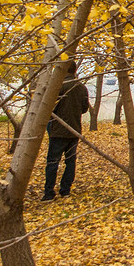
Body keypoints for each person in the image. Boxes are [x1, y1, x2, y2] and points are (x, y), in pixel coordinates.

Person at [42, 62, 90, 201]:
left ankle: (49, 193)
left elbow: (50, 108)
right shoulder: (81, 88)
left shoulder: (58, 87)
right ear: (75, 70)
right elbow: (84, 108)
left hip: (57, 130)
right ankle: (65, 190)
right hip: (74, 129)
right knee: (70, 161)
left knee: (52, 161)